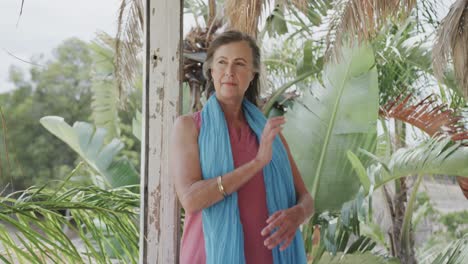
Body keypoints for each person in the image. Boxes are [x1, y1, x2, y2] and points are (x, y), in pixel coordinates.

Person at [170, 30, 314, 264]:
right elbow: (191, 199)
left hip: (270, 256)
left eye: (239, 64)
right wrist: (257, 163)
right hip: (208, 256)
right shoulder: (189, 127)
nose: (229, 72)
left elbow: (306, 198)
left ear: (252, 73)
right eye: (222, 63)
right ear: (212, 71)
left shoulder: (268, 134)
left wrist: (297, 214)